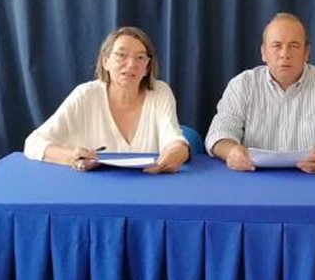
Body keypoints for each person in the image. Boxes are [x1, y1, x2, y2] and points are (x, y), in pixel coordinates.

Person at [205, 12, 315, 173]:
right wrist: (231, 152)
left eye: (294, 46)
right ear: (264, 52)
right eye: (276, 45)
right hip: (253, 177)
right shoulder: (242, 85)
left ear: (306, 53)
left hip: (312, 179)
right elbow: (218, 133)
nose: (285, 54)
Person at [23, 26, 190, 173]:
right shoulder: (85, 95)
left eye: (140, 57)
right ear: (105, 61)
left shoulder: (160, 92)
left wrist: (178, 151)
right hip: (91, 188)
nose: (131, 64)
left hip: (147, 183)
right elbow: (33, 143)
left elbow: (174, 139)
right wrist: (72, 156)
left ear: (147, 68)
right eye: (121, 55)